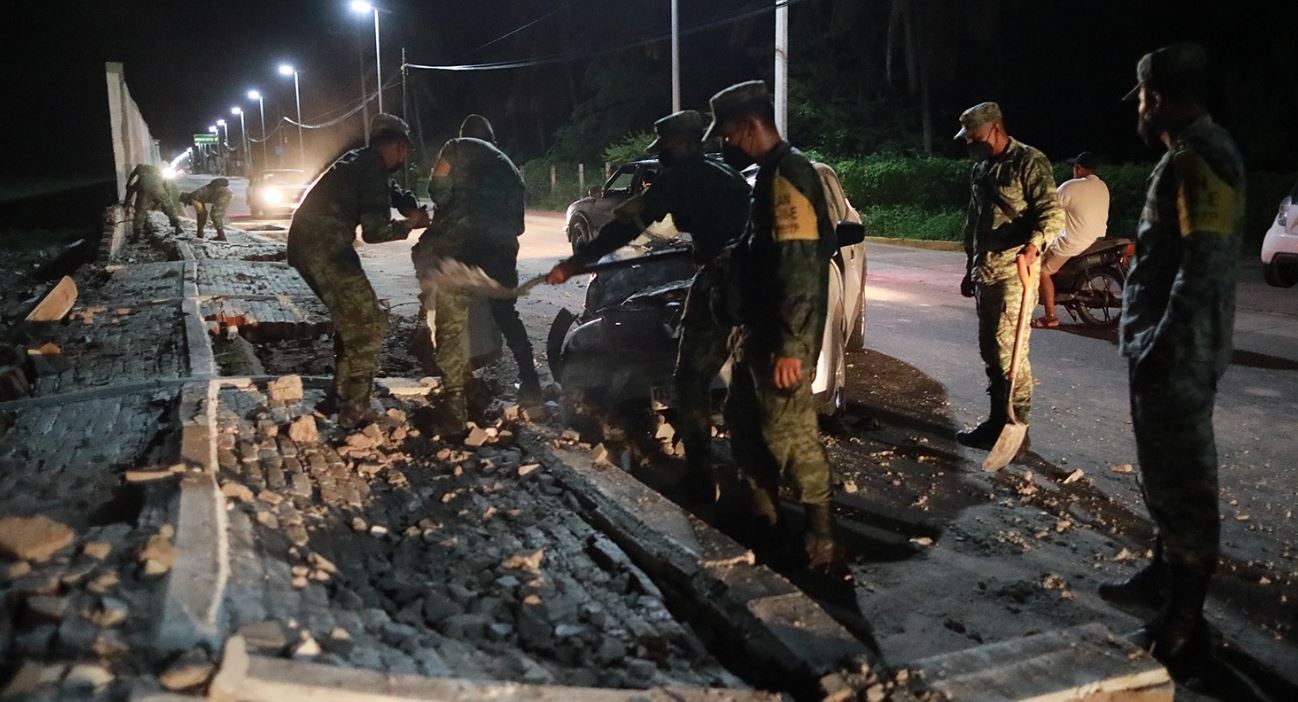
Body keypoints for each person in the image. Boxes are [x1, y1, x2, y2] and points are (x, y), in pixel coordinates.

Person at [1099, 43, 1243, 668]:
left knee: (1184, 480)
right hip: (1166, 348)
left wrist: (1160, 345)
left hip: (1177, 353)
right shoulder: (1192, 155)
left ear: (1156, 97)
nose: (1139, 109)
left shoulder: (1198, 158)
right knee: (1165, 473)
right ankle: (1164, 579)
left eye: (1142, 98)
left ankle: (1185, 624)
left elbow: (1204, 266)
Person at [546, 110, 752, 501]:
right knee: (746, 380)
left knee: (690, 379)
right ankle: (753, 478)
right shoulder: (722, 172)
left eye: (668, 149)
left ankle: (700, 476)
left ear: (688, 144)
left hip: (727, 280)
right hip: (755, 282)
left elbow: (629, 225)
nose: (662, 158)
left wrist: (576, 262)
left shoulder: (680, 176)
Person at [703, 81, 837, 568]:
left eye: (728, 135)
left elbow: (800, 269)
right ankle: (765, 516)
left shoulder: (789, 175)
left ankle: (821, 538)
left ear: (746, 127)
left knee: (791, 435)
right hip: (755, 333)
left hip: (779, 339)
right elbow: (760, 252)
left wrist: (792, 348)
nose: (726, 145)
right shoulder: (772, 173)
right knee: (744, 422)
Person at [287, 114, 428, 429]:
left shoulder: (359, 160)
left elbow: (391, 189)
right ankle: (355, 409)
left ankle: (339, 395)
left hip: (306, 244)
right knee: (368, 324)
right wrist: (412, 223)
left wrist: (406, 202)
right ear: (397, 146)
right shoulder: (373, 170)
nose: (403, 158)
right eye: (403, 151)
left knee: (351, 319)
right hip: (325, 249)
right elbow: (374, 232)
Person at [954, 102, 1064, 451]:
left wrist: (1034, 246)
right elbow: (975, 220)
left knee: (1010, 355)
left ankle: (1018, 428)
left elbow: (1052, 215)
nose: (971, 143)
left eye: (976, 136)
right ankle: (996, 421)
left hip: (1015, 274)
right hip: (985, 273)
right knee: (991, 351)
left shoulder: (1029, 161)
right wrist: (970, 266)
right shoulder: (981, 167)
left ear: (996, 129)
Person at [413, 114, 533, 431]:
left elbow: (436, 191)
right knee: (507, 315)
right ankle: (531, 383)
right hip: (501, 252)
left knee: (450, 322)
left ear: (465, 135)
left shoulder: (454, 147)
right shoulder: (510, 168)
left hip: (461, 251)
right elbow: (518, 226)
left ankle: (455, 405)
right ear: (491, 138)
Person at [1035, 152, 1111, 328]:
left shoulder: (1071, 187)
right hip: (1097, 239)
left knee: (1042, 271)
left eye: (1074, 167)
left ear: (1078, 168)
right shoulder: (1102, 186)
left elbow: (1047, 208)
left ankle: (1050, 316)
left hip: (1075, 242)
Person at [123, 163, 182, 237]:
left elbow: (130, 190)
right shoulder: (157, 172)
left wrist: (125, 202)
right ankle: (177, 227)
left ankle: (136, 236)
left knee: (140, 212)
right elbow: (166, 187)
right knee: (169, 207)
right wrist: (166, 200)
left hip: (145, 186)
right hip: (158, 186)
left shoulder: (141, 178)